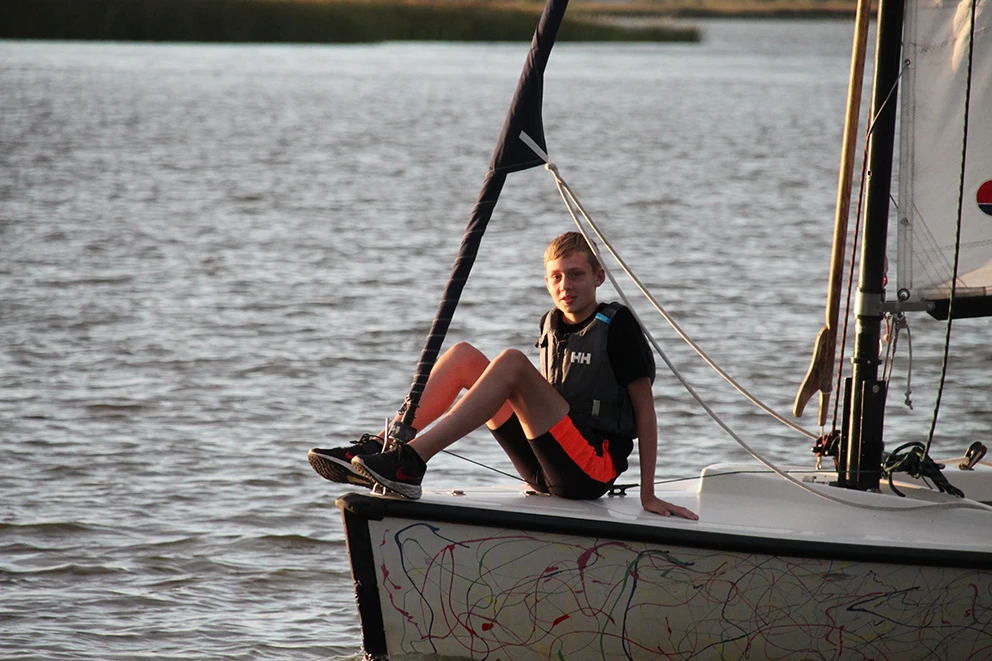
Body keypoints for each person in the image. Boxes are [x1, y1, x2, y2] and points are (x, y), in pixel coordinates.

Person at [308, 232, 697, 520]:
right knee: (463, 356)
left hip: (589, 471)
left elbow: (646, 413)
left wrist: (648, 495)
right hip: (545, 466)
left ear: (598, 276)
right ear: (546, 282)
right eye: (556, 278)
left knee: (511, 361)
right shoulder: (551, 323)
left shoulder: (618, 326)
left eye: (576, 275)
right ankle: (381, 449)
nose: (566, 286)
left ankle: (412, 462)